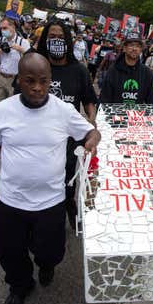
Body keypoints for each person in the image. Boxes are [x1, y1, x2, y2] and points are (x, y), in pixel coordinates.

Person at [0, 53, 101, 304]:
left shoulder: (63, 111)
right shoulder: (2, 111)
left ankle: (45, 264)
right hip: (11, 202)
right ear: (19, 80)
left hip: (51, 203)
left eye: (43, 81)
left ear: (50, 81)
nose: (37, 87)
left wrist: (91, 139)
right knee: (9, 253)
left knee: (51, 253)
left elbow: (90, 131)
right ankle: (20, 285)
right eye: (30, 81)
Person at [36, 20, 97, 229]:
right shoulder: (37, 65)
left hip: (69, 140)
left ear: (68, 42)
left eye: (61, 37)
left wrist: (91, 121)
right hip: (39, 138)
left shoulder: (78, 70)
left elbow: (89, 99)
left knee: (68, 177)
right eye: (52, 37)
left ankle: (69, 204)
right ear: (45, 40)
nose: (56, 41)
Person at [100, 32, 153, 104]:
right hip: (115, 114)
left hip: (137, 114)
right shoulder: (113, 71)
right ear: (124, 48)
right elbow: (104, 100)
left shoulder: (147, 73)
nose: (134, 49)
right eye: (131, 45)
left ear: (141, 50)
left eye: (138, 46)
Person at [0, 17, 30, 104]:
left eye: (5, 28)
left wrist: (22, 50)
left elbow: (31, 60)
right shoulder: (0, 41)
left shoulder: (23, 42)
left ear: (13, 27)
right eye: (1, 28)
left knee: (13, 107)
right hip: (1, 78)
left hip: (14, 80)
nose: (2, 31)